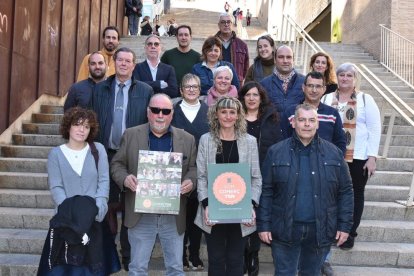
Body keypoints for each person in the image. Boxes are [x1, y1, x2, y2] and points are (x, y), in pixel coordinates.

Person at [257, 103, 354, 276]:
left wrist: (344, 226)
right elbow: (266, 190)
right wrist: (263, 224)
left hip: (320, 230)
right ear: (293, 123)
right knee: (284, 272)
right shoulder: (276, 152)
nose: (307, 124)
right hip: (284, 228)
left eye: (311, 120)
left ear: (318, 124)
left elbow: (345, 191)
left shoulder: (334, 153)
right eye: (302, 120)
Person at [110, 93, 197, 275]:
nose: (160, 115)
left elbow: (194, 168)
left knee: (175, 268)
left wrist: (191, 181)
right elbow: (117, 164)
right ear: (148, 112)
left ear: (172, 114)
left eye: (165, 111)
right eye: (156, 110)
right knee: (137, 268)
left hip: (173, 214)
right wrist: (125, 179)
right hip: (141, 213)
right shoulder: (131, 134)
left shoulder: (187, 139)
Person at [89, 47, 153, 271]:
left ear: (134, 65)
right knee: (105, 205)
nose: (124, 64)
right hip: (104, 153)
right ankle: (107, 253)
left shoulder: (145, 90)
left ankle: (127, 255)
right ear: (113, 63)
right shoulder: (100, 89)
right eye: (120, 60)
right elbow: (92, 121)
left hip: (132, 156)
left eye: (128, 61)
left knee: (130, 207)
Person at [38, 107, 120, 275]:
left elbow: (103, 181)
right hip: (67, 223)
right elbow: (56, 187)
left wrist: (99, 208)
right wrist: (71, 215)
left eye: (87, 126)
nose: (82, 130)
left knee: (93, 269)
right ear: (68, 126)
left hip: (95, 221)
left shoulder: (98, 150)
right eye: (77, 125)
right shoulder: (56, 154)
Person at [194, 96, 262, 276]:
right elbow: (201, 177)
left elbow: (256, 178)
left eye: (232, 112)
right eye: (223, 112)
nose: (228, 116)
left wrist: (251, 205)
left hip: (240, 212)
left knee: (236, 260)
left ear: (239, 115)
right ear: (216, 114)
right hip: (213, 212)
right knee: (215, 260)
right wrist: (206, 205)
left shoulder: (249, 141)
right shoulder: (206, 140)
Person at [322, 62, 381, 250]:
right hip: (330, 156)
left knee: (355, 194)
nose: (345, 78)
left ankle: (349, 233)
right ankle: (332, 230)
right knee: (331, 194)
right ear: (336, 78)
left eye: (349, 75)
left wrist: (372, 157)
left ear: (355, 79)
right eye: (341, 75)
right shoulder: (327, 98)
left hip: (358, 157)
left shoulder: (366, 99)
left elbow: (374, 128)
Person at [238, 81, 282, 275]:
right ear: (243, 98)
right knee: (239, 214)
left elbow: (277, 147)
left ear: (261, 97)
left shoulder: (271, 119)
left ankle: (253, 253)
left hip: (263, 174)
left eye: (255, 95)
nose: (252, 98)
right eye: (248, 95)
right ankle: (241, 253)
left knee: (257, 215)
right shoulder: (235, 118)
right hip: (238, 173)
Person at [171, 74, 209, 271]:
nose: (192, 89)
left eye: (195, 86)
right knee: (180, 217)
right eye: (188, 86)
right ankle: (181, 256)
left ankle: (194, 253)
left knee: (197, 217)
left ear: (200, 89)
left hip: (202, 171)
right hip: (177, 172)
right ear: (181, 90)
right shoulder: (172, 111)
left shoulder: (209, 111)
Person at [282, 71, 346, 155]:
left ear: (324, 89)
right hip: (296, 162)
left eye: (318, 86)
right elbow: (283, 140)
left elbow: (340, 142)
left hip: (325, 164)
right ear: (303, 87)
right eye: (310, 86)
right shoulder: (291, 112)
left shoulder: (332, 114)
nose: (314, 90)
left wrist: (333, 162)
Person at [260, 45, 305, 113]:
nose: (285, 61)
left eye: (289, 57)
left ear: (293, 60)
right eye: (281, 57)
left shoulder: (305, 82)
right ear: (275, 60)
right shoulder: (264, 84)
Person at [215, 13, 249, 84]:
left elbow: (246, 69)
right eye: (223, 22)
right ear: (218, 25)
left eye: (229, 22)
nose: (226, 24)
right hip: (216, 84)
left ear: (233, 24)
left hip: (236, 85)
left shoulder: (242, 45)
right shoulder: (211, 43)